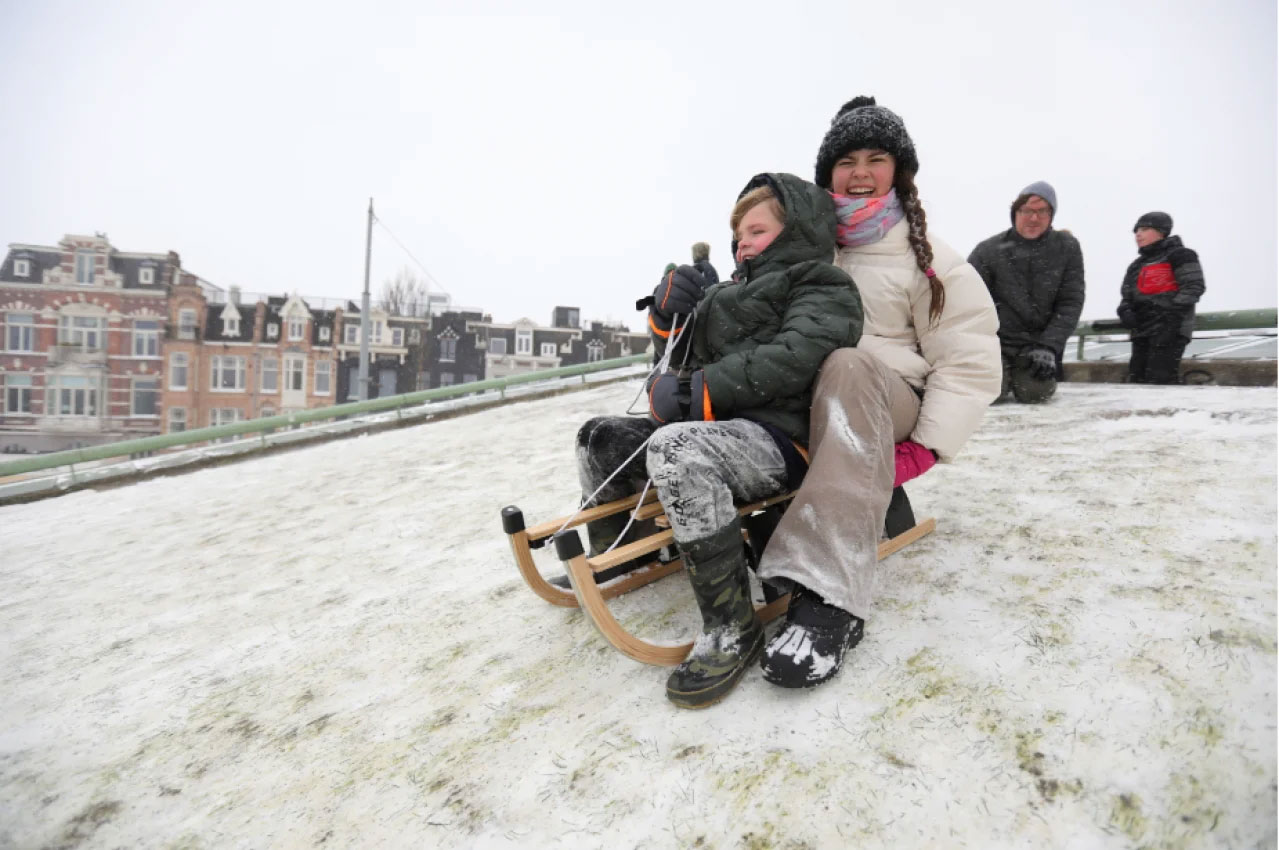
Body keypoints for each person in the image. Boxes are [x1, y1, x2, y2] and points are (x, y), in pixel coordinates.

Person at [576, 172, 863, 708]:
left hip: (779, 439)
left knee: (678, 448)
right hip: (711, 430)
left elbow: (800, 357)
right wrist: (667, 321)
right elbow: (675, 366)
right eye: (737, 236)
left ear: (794, 230)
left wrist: (699, 394)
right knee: (601, 436)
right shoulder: (720, 298)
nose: (742, 243)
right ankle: (622, 560)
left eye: (755, 230)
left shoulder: (823, 285)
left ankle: (732, 625)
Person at [749, 96, 1001, 688]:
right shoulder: (807, 248)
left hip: (892, 400)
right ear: (826, 174)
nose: (860, 172)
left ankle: (829, 594)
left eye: (876, 157)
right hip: (817, 402)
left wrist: (929, 448)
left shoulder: (929, 256)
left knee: (848, 362)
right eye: (846, 160)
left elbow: (967, 358)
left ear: (899, 172)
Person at [968, 181, 1086, 403]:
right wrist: (981, 345)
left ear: (1052, 215)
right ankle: (999, 373)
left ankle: (1024, 373)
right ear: (1015, 213)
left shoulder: (1067, 247)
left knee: (1035, 393)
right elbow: (968, 302)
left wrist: (1049, 346)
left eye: (1042, 211)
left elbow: (1070, 302)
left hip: (1037, 345)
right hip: (995, 343)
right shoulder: (988, 251)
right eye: (1027, 211)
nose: (1034, 218)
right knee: (992, 393)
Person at [1117, 212, 1205, 384]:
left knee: (1160, 379)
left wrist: (1171, 315)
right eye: (1136, 231)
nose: (1138, 234)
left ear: (1161, 231)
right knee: (1137, 378)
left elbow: (1193, 287)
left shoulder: (1181, 255)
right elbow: (1126, 296)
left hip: (1171, 328)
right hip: (1142, 329)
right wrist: (1125, 311)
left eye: (1144, 229)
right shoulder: (1136, 265)